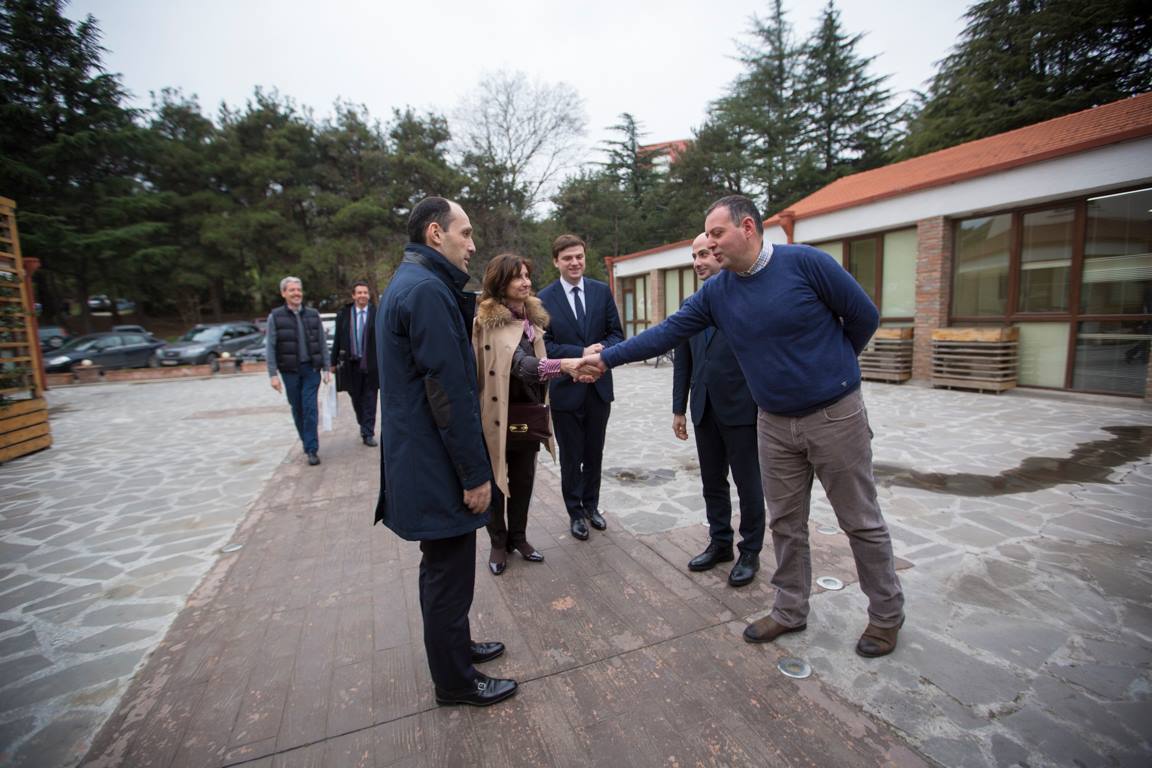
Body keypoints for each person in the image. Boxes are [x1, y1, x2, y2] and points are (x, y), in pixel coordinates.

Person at [583, 195, 906, 658]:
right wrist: (606, 358)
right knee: (786, 523)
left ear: (748, 227)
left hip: (835, 415)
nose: (710, 244)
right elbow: (668, 332)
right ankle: (790, 609)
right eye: (707, 236)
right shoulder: (718, 292)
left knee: (860, 521)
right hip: (772, 422)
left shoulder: (806, 264)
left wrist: (831, 368)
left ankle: (887, 615)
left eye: (717, 234)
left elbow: (863, 317)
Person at [374, 196, 516, 707]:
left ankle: (455, 648)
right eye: (465, 233)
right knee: (447, 573)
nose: (472, 245)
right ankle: (455, 681)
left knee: (444, 569)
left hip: (424, 458)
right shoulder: (426, 291)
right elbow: (448, 393)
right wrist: (474, 474)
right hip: (435, 463)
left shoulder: (413, 282)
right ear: (436, 234)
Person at [474, 253, 593, 575]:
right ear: (500, 282)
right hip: (497, 414)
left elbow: (537, 364)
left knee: (524, 479)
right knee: (497, 481)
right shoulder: (489, 323)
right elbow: (523, 367)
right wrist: (564, 366)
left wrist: (572, 368)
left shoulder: (531, 321)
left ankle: (519, 537)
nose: (525, 282)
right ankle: (498, 543)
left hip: (528, 413)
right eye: (517, 276)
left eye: (527, 275)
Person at [672, 233, 765, 587]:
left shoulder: (747, 299)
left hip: (742, 409)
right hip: (704, 408)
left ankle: (750, 550)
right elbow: (683, 361)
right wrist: (678, 408)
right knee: (712, 482)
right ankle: (720, 542)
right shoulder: (690, 305)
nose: (698, 262)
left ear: (720, 254)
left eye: (705, 254)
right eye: (694, 256)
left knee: (748, 484)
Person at [538, 234, 624, 542]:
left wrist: (598, 357)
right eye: (567, 258)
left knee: (594, 453)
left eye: (579, 257)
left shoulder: (601, 292)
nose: (575, 262)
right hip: (566, 390)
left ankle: (591, 506)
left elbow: (617, 335)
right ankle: (575, 513)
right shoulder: (543, 299)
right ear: (556, 262)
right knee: (571, 457)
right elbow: (545, 346)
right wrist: (581, 354)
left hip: (598, 386)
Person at [265, 276, 331, 466]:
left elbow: (322, 343)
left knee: (310, 408)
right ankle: (306, 441)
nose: (296, 293)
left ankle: (312, 449)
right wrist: (273, 375)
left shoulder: (312, 314)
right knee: (298, 408)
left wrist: (326, 368)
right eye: (292, 290)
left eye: (298, 290)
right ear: (283, 293)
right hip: (290, 371)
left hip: (311, 369)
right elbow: (270, 347)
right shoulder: (275, 317)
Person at [331, 281, 379, 446]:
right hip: (351, 365)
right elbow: (337, 339)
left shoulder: (376, 313)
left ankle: (368, 432)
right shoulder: (344, 315)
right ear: (353, 295)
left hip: (371, 365)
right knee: (356, 398)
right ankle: (363, 422)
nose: (362, 295)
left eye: (365, 292)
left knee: (370, 399)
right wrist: (332, 362)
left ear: (369, 295)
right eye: (359, 293)